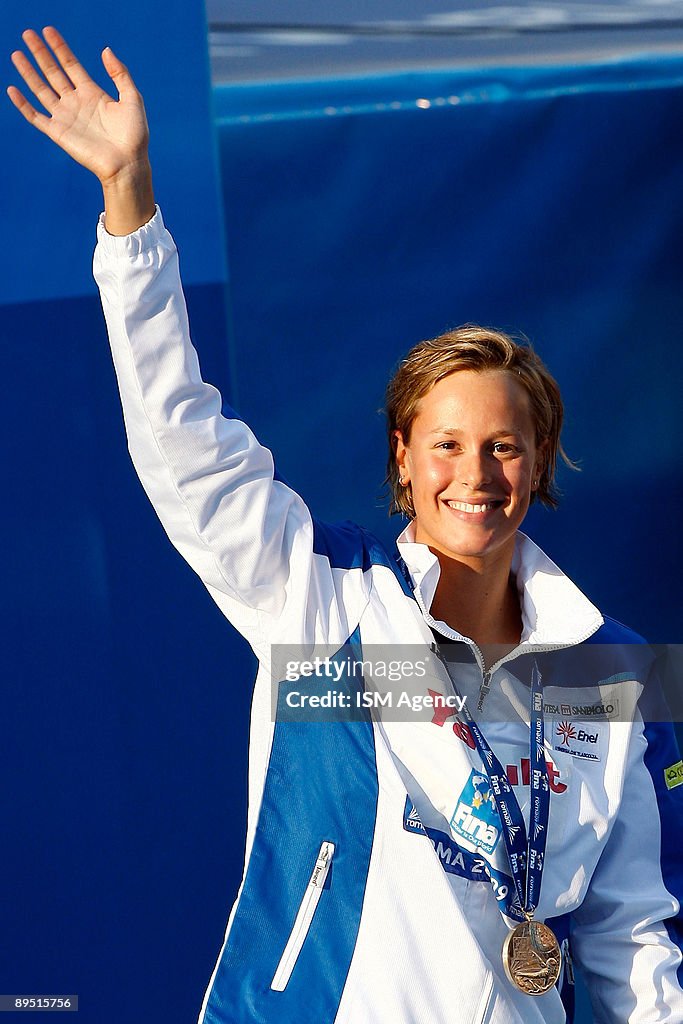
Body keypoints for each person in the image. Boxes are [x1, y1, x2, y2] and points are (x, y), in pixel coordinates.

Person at [9, 27, 683, 1024]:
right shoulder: (317, 594)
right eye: (444, 445)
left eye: (503, 445)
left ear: (537, 461)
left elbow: (631, 933)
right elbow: (179, 434)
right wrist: (129, 202)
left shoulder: (610, 667)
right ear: (402, 460)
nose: (475, 473)